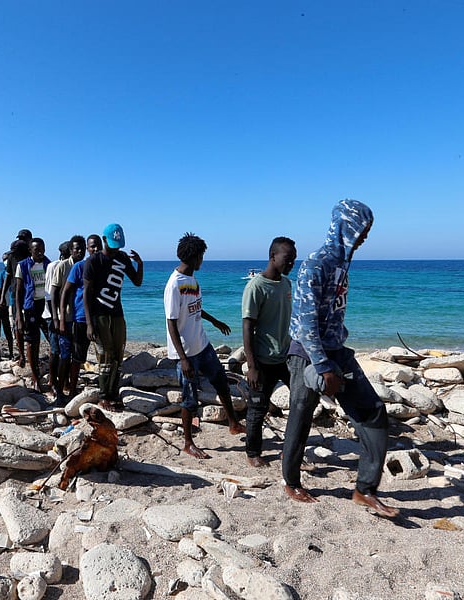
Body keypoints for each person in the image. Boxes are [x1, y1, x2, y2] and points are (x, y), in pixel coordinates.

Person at [281, 199, 399, 518]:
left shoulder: (341, 264)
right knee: (301, 416)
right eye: (362, 229)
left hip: (336, 350)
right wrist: (322, 367)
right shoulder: (316, 264)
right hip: (307, 354)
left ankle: (365, 490)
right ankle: (291, 482)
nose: (365, 237)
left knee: (373, 411)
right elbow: (305, 324)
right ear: (346, 227)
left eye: (367, 231)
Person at [164, 232, 245, 459]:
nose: (202, 260)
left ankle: (233, 424)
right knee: (189, 399)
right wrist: (182, 358)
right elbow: (171, 323)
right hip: (187, 352)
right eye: (201, 256)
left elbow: (195, 307)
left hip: (203, 345)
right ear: (194, 257)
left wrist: (214, 321)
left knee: (221, 382)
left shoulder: (191, 279)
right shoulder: (174, 284)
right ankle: (188, 443)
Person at [241, 237, 297, 467]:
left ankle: (290, 451)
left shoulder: (286, 284)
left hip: (286, 357)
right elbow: (247, 326)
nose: (291, 263)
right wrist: (252, 366)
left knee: (301, 403)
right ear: (273, 256)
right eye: (288, 258)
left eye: (294, 259)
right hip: (262, 360)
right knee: (257, 408)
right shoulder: (256, 287)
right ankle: (253, 453)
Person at [83, 223, 143, 410]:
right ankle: (103, 396)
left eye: (118, 246)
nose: (115, 249)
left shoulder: (122, 258)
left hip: (117, 314)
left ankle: (114, 392)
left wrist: (140, 264)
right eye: (112, 245)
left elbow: (137, 281)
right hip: (99, 315)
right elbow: (86, 294)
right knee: (105, 356)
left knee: (118, 354)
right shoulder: (93, 261)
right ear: (104, 240)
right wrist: (89, 323)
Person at [60, 233, 101, 396]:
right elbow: (65, 292)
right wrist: (61, 318)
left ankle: (106, 390)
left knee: (104, 355)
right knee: (77, 357)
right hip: (82, 318)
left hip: (102, 317)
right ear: (88, 249)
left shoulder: (105, 266)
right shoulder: (79, 267)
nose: (95, 249)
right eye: (92, 247)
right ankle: (71, 390)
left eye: (98, 246)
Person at [15, 237, 51, 392]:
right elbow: (18, 292)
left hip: (46, 305)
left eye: (42, 249)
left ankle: (53, 377)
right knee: (32, 341)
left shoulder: (49, 264)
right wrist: (18, 314)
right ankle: (35, 377)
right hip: (31, 306)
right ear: (30, 250)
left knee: (52, 339)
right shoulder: (22, 266)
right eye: (37, 250)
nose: (40, 252)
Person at [45, 240, 71, 400]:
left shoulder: (73, 265)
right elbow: (50, 293)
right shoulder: (55, 266)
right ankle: (53, 382)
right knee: (55, 350)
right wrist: (55, 317)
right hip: (53, 314)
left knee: (66, 351)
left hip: (66, 315)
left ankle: (64, 381)